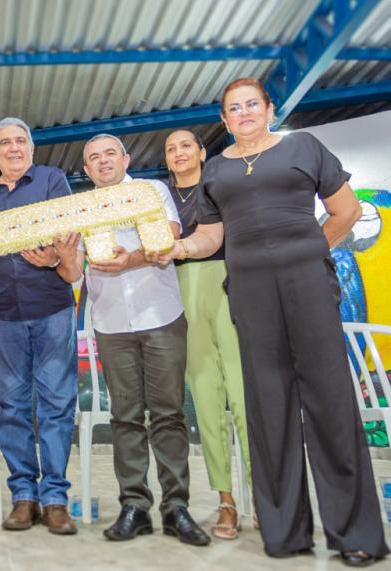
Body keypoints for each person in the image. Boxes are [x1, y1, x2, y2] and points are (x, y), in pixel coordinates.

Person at [161, 77, 389, 566]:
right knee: (268, 409)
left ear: (268, 109)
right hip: (250, 295)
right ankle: (285, 533)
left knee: (330, 404)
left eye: (251, 104)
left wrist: (308, 250)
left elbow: (345, 211)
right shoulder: (216, 170)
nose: (242, 113)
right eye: (232, 108)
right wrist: (175, 248)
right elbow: (209, 237)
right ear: (223, 121)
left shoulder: (303, 147)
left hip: (308, 287)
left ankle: (357, 534)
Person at [79, 133, 209, 546]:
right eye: (94, 158)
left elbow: (167, 234)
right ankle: (134, 505)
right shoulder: (80, 209)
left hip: (160, 315)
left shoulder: (151, 190)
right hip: (110, 321)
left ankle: (177, 508)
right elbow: (72, 260)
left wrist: (129, 259)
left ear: (126, 158)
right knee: (125, 417)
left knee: (169, 414)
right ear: (86, 170)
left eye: (109, 154)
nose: (103, 162)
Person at [0, 117, 82, 535]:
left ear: (31, 148)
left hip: (53, 308)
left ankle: (54, 498)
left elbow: (68, 236)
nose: (14, 148)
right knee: (12, 406)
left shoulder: (53, 181)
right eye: (5, 143)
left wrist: (55, 258)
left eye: (21, 141)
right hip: (4, 314)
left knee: (56, 403)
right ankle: (24, 496)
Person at [163, 129, 251, 540]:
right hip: (181, 291)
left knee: (246, 397)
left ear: (201, 152)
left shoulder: (223, 186)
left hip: (232, 285)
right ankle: (227, 501)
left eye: (186, 145)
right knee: (206, 398)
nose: (179, 153)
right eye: (171, 149)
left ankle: (267, 498)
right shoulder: (159, 198)